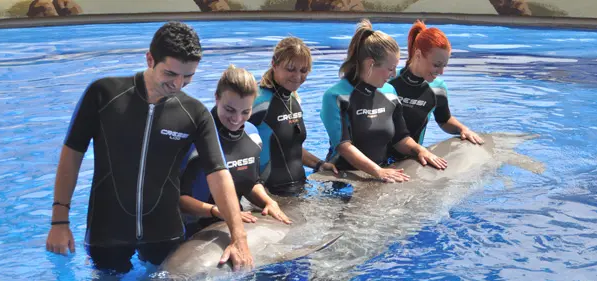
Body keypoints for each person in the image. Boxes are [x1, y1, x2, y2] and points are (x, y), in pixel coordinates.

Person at [45, 21, 253, 273]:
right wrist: (59, 221)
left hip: (165, 234)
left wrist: (238, 237)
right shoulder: (103, 95)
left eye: (188, 76)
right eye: (170, 74)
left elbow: (219, 174)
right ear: (150, 59)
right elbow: (71, 157)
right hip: (108, 233)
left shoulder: (194, 113)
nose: (178, 84)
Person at [319, 19, 448, 184]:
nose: (394, 74)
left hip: (379, 175)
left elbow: (400, 138)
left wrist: (420, 150)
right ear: (371, 64)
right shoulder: (336, 96)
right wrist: (377, 171)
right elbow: (343, 146)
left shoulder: (389, 92)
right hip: (342, 178)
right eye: (390, 68)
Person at [179, 65, 292, 237]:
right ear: (216, 98)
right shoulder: (194, 139)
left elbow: (251, 182)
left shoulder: (252, 134)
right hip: (192, 231)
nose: (237, 119)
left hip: (236, 223)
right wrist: (216, 211)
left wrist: (268, 201)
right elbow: (177, 199)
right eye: (229, 110)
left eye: (245, 111)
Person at [249, 37, 337, 196]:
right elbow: (233, 149)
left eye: (303, 71)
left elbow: (289, 148)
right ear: (274, 64)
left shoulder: (292, 99)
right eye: (290, 69)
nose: (297, 76)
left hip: (299, 189)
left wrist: (319, 164)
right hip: (270, 195)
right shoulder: (257, 102)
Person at [388, 20, 483, 161]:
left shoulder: (437, 89)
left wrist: (463, 129)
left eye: (444, 66)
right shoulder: (389, 83)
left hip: (411, 159)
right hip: (380, 161)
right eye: (437, 65)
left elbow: (444, 120)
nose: (441, 71)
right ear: (418, 55)